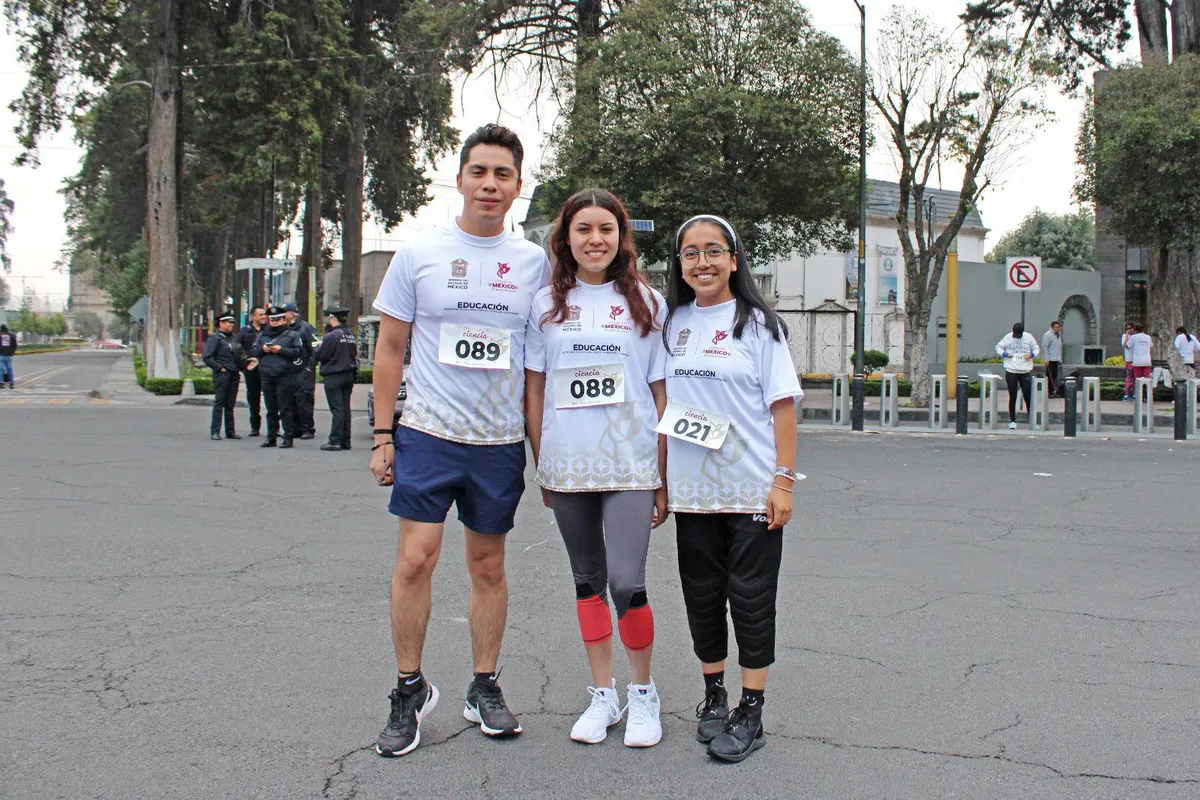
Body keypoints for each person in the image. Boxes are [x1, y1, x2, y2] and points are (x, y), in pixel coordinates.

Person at [368, 123, 551, 758]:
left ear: (518, 187)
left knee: (488, 565)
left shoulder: (533, 263)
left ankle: (484, 686)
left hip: (496, 442)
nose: (490, 184)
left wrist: (542, 449)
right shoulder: (418, 254)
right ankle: (408, 687)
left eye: (503, 175)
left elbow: (539, 364)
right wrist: (382, 435)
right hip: (427, 433)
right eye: (480, 172)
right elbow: (390, 349)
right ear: (461, 178)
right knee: (415, 559)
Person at [524, 189, 668, 748]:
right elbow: (534, 389)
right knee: (586, 581)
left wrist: (662, 473)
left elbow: (659, 391)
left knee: (627, 580)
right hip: (568, 466)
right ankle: (602, 694)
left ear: (621, 237)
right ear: (566, 238)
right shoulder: (543, 307)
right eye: (583, 229)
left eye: (605, 229)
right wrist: (543, 462)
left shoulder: (647, 304)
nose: (595, 240)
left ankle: (643, 694)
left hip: (631, 463)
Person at [661, 214, 802, 763]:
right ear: (681, 264)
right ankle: (713, 695)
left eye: (714, 251)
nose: (703, 262)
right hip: (693, 492)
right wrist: (661, 480)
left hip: (751, 490)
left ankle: (752, 707)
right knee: (700, 596)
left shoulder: (758, 325)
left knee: (750, 600)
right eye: (691, 253)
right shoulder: (670, 324)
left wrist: (783, 482)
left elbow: (783, 408)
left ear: (735, 260)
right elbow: (658, 402)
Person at [252, 306, 306, 448]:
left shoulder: (291, 335)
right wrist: (263, 349)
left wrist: (281, 350)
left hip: (284, 375)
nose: (274, 322)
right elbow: (254, 350)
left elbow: (298, 352)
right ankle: (271, 437)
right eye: (272, 320)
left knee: (285, 408)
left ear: (284, 319)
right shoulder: (263, 335)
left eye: (278, 319)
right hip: (267, 374)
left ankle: (288, 437)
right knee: (270, 408)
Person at [314, 306, 359, 451]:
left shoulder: (331, 336)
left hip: (334, 375)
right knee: (345, 408)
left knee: (337, 408)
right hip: (348, 374)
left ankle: (335, 440)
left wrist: (316, 348)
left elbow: (321, 355)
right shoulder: (350, 334)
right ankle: (346, 440)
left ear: (333, 318)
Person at [202, 310, 248, 440]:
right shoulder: (215, 338)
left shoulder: (232, 338)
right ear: (221, 323)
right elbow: (207, 357)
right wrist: (219, 367)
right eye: (229, 322)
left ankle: (230, 431)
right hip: (222, 374)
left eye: (233, 322)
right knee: (219, 402)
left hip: (234, 373)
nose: (231, 325)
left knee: (230, 404)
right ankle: (215, 431)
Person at [285, 302, 321, 440]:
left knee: (304, 399)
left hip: (304, 370)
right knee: (291, 399)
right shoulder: (286, 328)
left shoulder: (305, 328)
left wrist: (309, 367)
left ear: (292, 313)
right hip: (290, 370)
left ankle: (307, 428)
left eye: (285, 312)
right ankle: (295, 428)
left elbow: (316, 347)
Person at [995, 322, 1040, 430]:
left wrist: (1032, 355)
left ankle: (1032, 420)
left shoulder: (1029, 337)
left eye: (1018, 336)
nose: (1016, 337)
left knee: (1028, 396)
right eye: (1015, 335)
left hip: (1025, 370)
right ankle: (1012, 421)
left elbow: (1036, 348)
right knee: (1012, 396)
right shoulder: (1008, 337)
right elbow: (998, 347)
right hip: (1011, 369)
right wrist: (1005, 354)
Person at [235, 306, 267, 436]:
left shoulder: (269, 331)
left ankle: (274, 428)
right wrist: (245, 360)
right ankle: (255, 427)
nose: (263, 317)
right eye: (260, 315)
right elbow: (236, 347)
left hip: (266, 368)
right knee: (253, 398)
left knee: (272, 398)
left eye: (264, 314)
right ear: (253, 316)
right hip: (251, 370)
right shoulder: (244, 332)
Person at [1127, 324, 1154, 396]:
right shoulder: (1148, 337)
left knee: (1138, 379)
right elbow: (1151, 346)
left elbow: (1128, 345)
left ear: (1135, 330)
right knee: (1146, 379)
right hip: (1147, 361)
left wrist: (1126, 336)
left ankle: (1139, 395)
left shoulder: (1134, 337)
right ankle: (1147, 395)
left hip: (1137, 361)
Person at [1041, 320, 1063, 397]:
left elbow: (1058, 348)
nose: (1058, 328)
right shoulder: (1048, 335)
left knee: (1055, 376)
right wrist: (1046, 359)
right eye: (1056, 327)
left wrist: (1059, 359)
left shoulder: (1058, 335)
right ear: (1052, 327)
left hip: (1056, 359)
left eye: (1058, 327)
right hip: (1050, 359)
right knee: (1050, 376)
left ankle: (1053, 391)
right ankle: (1049, 392)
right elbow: (1045, 347)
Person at [1121, 322, 1136, 401]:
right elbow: (1125, 345)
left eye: (1130, 328)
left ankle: (1135, 393)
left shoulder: (1135, 337)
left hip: (1136, 360)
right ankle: (1127, 394)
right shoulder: (1124, 336)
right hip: (1129, 359)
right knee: (1129, 376)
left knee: (1135, 377)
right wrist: (1127, 337)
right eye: (1127, 329)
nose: (1129, 330)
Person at [0, 324, 15, 389]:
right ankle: (11, 384)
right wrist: (12, 352)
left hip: (1, 355)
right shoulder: (12, 335)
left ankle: (1, 384)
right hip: (9, 355)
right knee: (10, 369)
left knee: (0, 370)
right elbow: (15, 345)